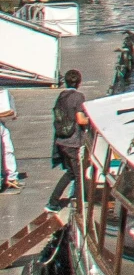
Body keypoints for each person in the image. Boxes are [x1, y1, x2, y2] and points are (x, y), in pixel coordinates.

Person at [47, 69, 89, 211]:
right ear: (79, 82)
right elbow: (80, 120)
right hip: (73, 141)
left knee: (71, 172)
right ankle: (79, 206)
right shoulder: (78, 97)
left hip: (61, 140)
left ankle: (53, 202)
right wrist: (92, 119)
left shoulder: (61, 96)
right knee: (79, 175)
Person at [0, 88, 18, 190]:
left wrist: (12, 112)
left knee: (8, 149)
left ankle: (11, 176)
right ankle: (7, 176)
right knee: (6, 150)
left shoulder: (3, 94)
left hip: (2, 124)